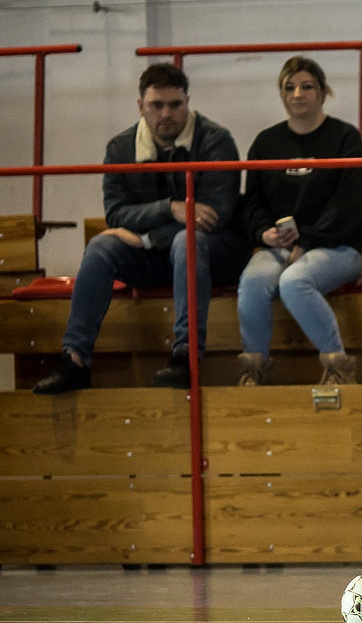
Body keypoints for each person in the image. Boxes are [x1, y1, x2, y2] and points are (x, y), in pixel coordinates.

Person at [33, 62, 246, 394]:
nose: (166, 113)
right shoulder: (120, 148)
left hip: (213, 253)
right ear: (140, 106)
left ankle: (185, 357)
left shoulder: (216, 141)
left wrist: (147, 238)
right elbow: (117, 214)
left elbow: (213, 217)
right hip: (160, 256)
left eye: (175, 104)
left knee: (187, 240)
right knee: (101, 246)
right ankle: (74, 361)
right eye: (156, 105)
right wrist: (170, 208)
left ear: (188, 102)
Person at [236, 56, 362, 386]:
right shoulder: (266, 143)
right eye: (289, 87)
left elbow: (348, 204)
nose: (298, 94)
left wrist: (309, 240)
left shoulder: (344, 138)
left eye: (307, 86)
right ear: (282, 95)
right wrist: (263, 233)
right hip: (279, 246)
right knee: (252, 282)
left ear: (322, 92)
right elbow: (252, 201)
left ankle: (339, 369)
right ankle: (254, 371)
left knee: (294, 281)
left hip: (337, 247)